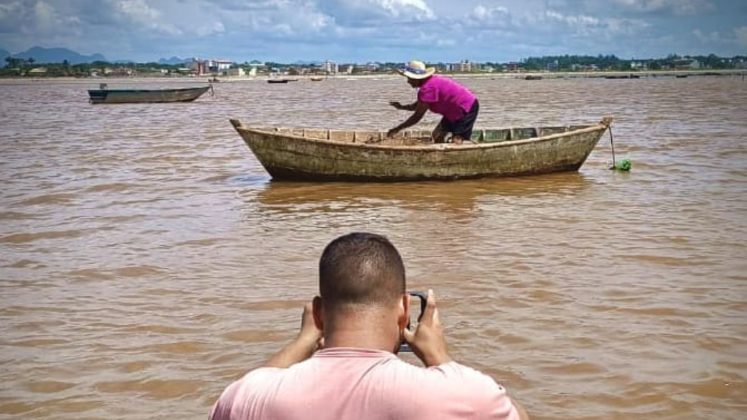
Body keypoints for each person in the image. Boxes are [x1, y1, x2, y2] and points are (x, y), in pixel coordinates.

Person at [210, 232, 529, 420]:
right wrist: (440, 358)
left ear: (319, 314)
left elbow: (240, 396)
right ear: (405, 309)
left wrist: (302, 342)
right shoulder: (464, 394)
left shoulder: (250, 397)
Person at [388, 60, 480, 144]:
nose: (408, 81)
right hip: (453, 111)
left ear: (417, 78)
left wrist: (397, 129)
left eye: (410, 78)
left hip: (466, 107)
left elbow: (417, 116)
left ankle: (457, 156)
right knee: (437, 135)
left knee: (457, 140)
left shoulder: (427, 89)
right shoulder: (429, 83)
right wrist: (402, 107)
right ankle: (442, 158)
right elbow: (418, 106)